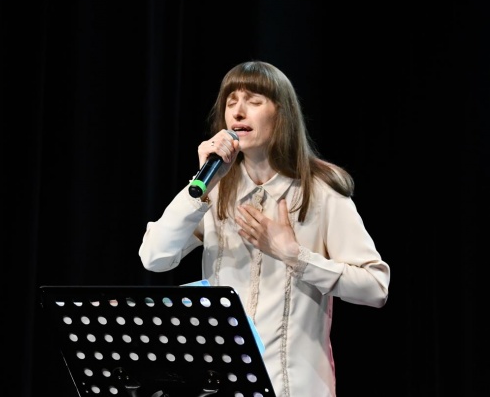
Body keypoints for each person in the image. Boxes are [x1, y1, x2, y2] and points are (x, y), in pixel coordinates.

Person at [138, 60, 390, 397]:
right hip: (226, 387)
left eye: (254, 101)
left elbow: (375, 287)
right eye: (231, 102)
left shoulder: (319, 192)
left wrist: (295, 256)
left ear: (281, 115)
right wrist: (200, 187)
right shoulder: (217, 191)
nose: (238, 111)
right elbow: (154, 257)